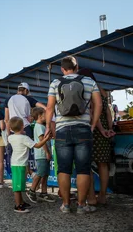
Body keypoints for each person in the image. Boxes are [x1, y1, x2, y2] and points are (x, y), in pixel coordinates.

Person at [46, 56, 102, 214]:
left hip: (62, 130)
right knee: (83, 169)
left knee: (63, 169)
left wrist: (48, 128)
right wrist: (92, 125)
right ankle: (81, 205)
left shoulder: (55, 83)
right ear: (77, 67)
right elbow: (98, 104)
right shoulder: (89, 82)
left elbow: (49, 108)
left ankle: (65, 205)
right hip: (83, 129)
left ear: (62, 69)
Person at [77, 68, 115, 206]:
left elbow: (94, 113)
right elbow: (108, 112)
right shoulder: (102, 90)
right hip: (104, 129)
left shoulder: (88, 89)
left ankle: (92, 197)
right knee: (103, 164)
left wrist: (101, 129)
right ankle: (103, 196)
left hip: (93, 129)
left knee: (87, 165)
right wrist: (110, 128)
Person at [8, 117, 51, 213]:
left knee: (19, 185)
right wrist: (46, 139)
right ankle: (18, 205)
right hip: (20, 164)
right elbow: (37, 145)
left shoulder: (10, 137)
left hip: (15, 163)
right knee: (17, 187)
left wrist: (20, 132)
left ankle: (22, 202)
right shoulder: (25, 138)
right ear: (23, 126)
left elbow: (15, 135)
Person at [4, 83, 47, 177]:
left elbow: (6, 119)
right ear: (26, 91)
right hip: (25, 127)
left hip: (13, 129)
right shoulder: (27, 98)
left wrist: (8, 134)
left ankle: (24, 175)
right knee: (27, 153)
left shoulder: (8, 99)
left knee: (16, 154)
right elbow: (43, 107)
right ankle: (32, 173)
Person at [26, 107, 55, 203]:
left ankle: (44, 192)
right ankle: (32, 190)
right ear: (39, 116)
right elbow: (42, 141)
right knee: (40, 173)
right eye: (45, 114)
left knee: (45, 174)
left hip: (44, 154)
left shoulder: (41, 126)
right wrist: (47, 152)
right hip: (42, 154)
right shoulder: (38, 127)